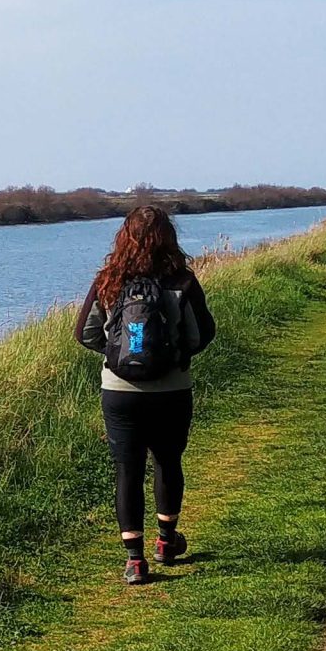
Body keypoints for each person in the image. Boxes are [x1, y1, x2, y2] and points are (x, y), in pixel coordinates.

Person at [75, 206, 216, 585]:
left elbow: (84, 334)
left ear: (124, 237)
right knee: (168, 462)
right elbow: (202, 334)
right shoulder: (182, 280)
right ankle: (166, 542)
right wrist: (174, 358)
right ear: (169, 237)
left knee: (128, 470)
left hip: (120, 393)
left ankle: (135, 561)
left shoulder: (108, 280)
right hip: (172, 389)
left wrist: (117, 357)